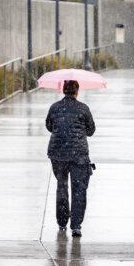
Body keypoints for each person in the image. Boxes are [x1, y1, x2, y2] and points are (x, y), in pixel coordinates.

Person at [45, 80, 95, 237]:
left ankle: (61, 222)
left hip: (57, 152)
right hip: (78, 154)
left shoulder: (54, 107)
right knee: (79, 189)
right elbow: (91, 130)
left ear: (63, 90)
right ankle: (76, 225)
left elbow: (49, 126)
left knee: (62, 186)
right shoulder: (83, 108)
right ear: (76, 91)